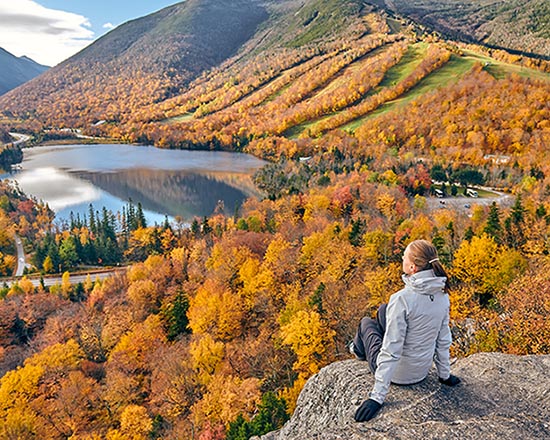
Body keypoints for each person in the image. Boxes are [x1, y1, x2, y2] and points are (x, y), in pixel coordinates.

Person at [349, 239, 461, 422]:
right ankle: (362, 343)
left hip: (399, 375)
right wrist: (444, 375)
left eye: (404, 256)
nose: (401, 258)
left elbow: (392, 350)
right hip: (421, 371)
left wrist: (376, 397)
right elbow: (443, 340)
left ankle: (357, 350)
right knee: (384, 309)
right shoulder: (442, 296)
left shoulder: (402, 299)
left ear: (412, 268)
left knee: (366, 323)